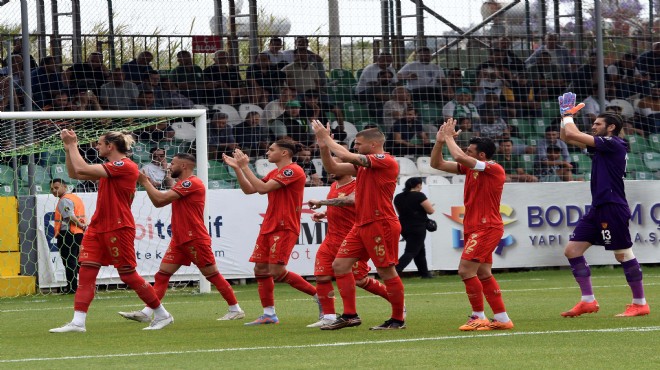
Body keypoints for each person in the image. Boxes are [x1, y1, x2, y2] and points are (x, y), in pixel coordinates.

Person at [50, 130, 173, 332]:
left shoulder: (125, 165)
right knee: (87, 271)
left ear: (110, 146)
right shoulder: (110, 167)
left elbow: (81, 167)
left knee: (128, 274)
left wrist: (73, 144)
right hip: (98, 227)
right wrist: (67, 149)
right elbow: (74, 173)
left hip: (119, 226)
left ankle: (162, 314)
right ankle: (78, 322)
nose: (97, 147)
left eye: (99, 144)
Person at [118, 153, 245, 322]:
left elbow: (160, 200)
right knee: (162, 275)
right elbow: (160, 200)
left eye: (173, 163)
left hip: (194, 238)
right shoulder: (182, 184)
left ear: (184, 166)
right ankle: (148, 312)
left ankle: (235, 309)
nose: (169, 166)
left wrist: (145, 181)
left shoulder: (192, 183)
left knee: (212, 274)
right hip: (179, 239)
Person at [558, 92, 650, 317]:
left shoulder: (613, 143)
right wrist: (564, 117)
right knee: (572, 250)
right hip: (599, 206)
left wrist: (569, 116)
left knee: (622, 254)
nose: (593, 126)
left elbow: (572, 132)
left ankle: (640, 303)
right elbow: (567, 137)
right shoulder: (603, 146)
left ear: (610, 128)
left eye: (598, 124)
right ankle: (587, 301)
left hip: (613, 205)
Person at [310, 121, 406, 330]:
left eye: (359, 144)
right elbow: (332, 167)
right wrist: (324, 145)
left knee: (386, 271)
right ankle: (350, 315)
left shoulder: (385, 160)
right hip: (362, 224)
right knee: (340, 266)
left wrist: (327, 138)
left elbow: (346, 156)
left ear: (373, 145)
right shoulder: (363, 165)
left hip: (381, 223)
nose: (356, 147)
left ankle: (398, 319)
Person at [222, 141, 319, 325]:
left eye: (271, 150)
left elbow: (262, 188)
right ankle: (269, 314)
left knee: (276, 271)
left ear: (284, 153)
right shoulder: (274, 173)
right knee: (260, 269)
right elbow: (250, 189)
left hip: (284, 226)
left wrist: (244, 166)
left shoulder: (293, 170)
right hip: (269, 225)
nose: (267, 152)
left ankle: (319, 295)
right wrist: (237, 169)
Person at [430, 119, 514, 331]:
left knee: (465, 271)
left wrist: (449, 137)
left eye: (470, 150)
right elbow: (436, 164)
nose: (465, 152)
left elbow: (458, 156)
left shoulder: (493, 168)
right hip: (474, 226)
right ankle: (503, 319)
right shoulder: (471, 169)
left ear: (482, 155)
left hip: (486, 227)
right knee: (484, 273)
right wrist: (440, 141)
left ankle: (479, 316)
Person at [306, 155, 391, 328]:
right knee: (321, 276)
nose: (330, 169)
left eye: (335, 164)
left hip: (350, 239)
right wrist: (325, 213)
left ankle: (397, 300)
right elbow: (340, 207)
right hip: (331, 239)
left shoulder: (358, 184)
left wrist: (322, 203)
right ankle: (329, 316)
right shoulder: (333, 185)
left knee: (360, 279)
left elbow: (351, 202)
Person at [393, 177, 435, 278]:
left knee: (420, 250)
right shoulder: (419, 195)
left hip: (403, 226)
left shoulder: (398, 197)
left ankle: (425, 274)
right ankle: (396, 270)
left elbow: (399, 212)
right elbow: (430, 211)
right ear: (418, 185)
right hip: (417, 226)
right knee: (411, 251)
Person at [50, 178, 87, 294]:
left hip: (68, 234)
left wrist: (81, 225)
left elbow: (69, 216)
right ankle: (86, 285)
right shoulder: (75, 198)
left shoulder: (64, 200)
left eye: (56, 188)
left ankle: (72, 287)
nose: (54, 191)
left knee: (69, 262)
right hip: (77, 233)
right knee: (77, 261)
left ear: (64, 187)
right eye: (51, 189)